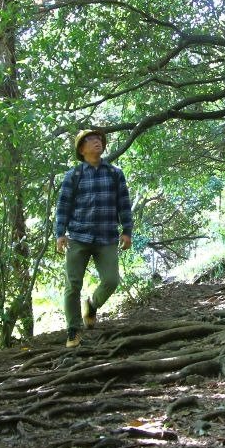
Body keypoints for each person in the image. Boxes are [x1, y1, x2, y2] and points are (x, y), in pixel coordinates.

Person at [54, 128, 133, 348]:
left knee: (111, 280)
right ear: (81, 149)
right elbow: (63, 207)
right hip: (78, 237)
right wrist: (60, 233)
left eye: (99, 139)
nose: (97, 142)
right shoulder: (74, 175)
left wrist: (127, 231)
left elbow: (124, 205)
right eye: (91, 140)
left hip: (107, 237)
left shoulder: (115, 173)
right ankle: (73, 331)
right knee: (73, 285)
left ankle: (92, 304)